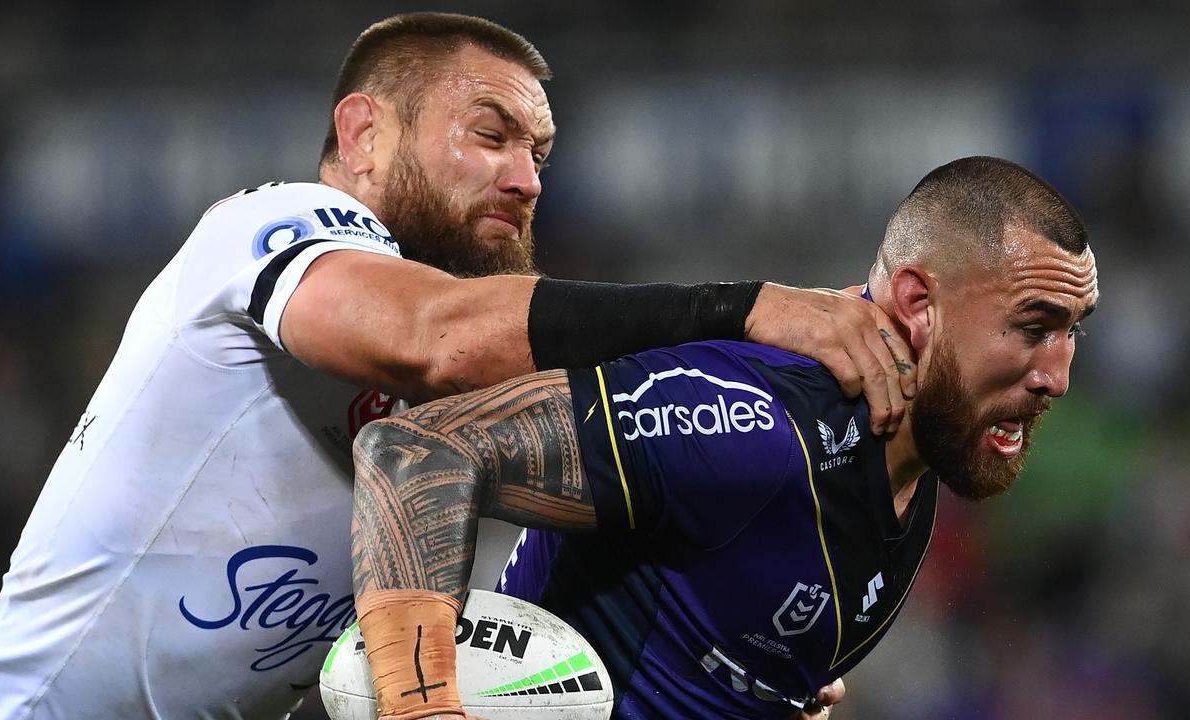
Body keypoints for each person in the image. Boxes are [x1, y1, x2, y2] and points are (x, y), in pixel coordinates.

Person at [0, 12, 907, 720]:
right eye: (490, 135)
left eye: (538, 152)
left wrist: (733, 663)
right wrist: (742, 308)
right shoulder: (268, 227)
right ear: (364, 134)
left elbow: (631, 504)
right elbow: (433, 335)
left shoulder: (469, 401)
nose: (528, 177)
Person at [347, 155, 1099, 719]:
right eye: (1032, 328)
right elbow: (417, 452)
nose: (1057, 376)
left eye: (1072, 333)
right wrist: (424, 706)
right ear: (918, 304)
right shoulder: (753, 424)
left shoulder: (920, 453)